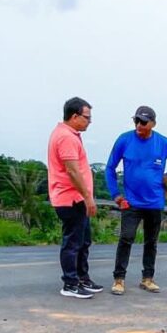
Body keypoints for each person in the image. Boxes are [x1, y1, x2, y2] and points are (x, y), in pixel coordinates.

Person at [105, 105, 167, 294]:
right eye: (136, 120)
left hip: (154, 202)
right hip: (131, 201)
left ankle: (148, 278)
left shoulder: (162, 143)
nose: (139, 125)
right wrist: (116, 195)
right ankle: (119, 279)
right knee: (126, 238)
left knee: (151, 242)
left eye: (143, 122)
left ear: (153, 123)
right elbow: (110, 168)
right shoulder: (124, 140)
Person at [47, 97, 103, 298]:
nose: (89, 121)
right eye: (87, 117)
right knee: (73, 242)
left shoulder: (69, 134)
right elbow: (72, 171)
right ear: (74, 116)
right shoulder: (66, 137)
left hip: (76, 198)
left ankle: (82, 277)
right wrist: (88, 197)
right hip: (70, 198)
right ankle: (70, 283)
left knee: (83, 240)